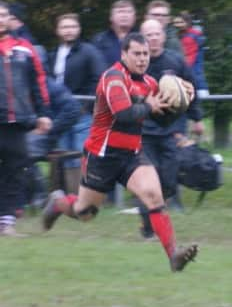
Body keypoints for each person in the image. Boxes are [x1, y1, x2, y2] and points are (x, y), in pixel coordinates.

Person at [41, 33, 198, 272]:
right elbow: (123, 114)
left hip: (132, 154)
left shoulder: (149, 83)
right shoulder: (113, 77)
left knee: (153, 197)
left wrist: (182, 103)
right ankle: (58, 203)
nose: (142, 59)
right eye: (137, 53)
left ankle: (174, 255)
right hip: (102, 156)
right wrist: (148, 105)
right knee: (85, 213)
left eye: (145, 54)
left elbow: (162, 121)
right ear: (124, 54)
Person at [137, 19, 204, 239]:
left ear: (163, 36)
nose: (153, 38)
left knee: (168, 180)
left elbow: (191, 88)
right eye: (149, 34)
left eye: (157, 34)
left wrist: (197, 118)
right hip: (143, 133)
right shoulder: (134, 63)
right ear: (141, 37)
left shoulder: (175, 61)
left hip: (170, 131)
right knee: (149, 181)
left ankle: (154, 216)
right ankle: (148, 228)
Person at [0, 0, 52, 236]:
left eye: (3, 15)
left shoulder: (25, 48)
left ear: (10, 19)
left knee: (15, 171)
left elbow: (38, 82)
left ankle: (7, 222)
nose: (0, 19)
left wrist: (42, 113)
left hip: (17, 122)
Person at [49, 13, 107, 162]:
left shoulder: (89, 51)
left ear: (79, 29)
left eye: (73, 26)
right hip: (60, 114)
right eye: (65, 27)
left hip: (83, 115)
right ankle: (67, 186)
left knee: (83, 157)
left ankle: (83, 186)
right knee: (63, 158)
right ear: (57, 30)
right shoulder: (54, 54)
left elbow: (99, 78)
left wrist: (85, 106)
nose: (69, 30)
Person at [25, 77, 82, 208]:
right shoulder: (22, 82)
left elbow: (74, 109)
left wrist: (51, 129)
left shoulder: (50, 87)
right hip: (27, 130)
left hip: (46, 134)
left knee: (22, 151)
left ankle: (40, 194)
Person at [173, 11, 209, 98]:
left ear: (187, 22)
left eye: (181, 22)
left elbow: (190, 58)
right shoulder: (179, 36)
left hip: (194, 77)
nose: (178, 25)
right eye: (176, 23)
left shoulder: (192, 36)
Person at [92, 0, 137, 66]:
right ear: (111, 17)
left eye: (128, 12)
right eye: (120, 12)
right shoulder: (99, 41)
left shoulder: (142, 39)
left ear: (134, 17)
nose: (124, 15)